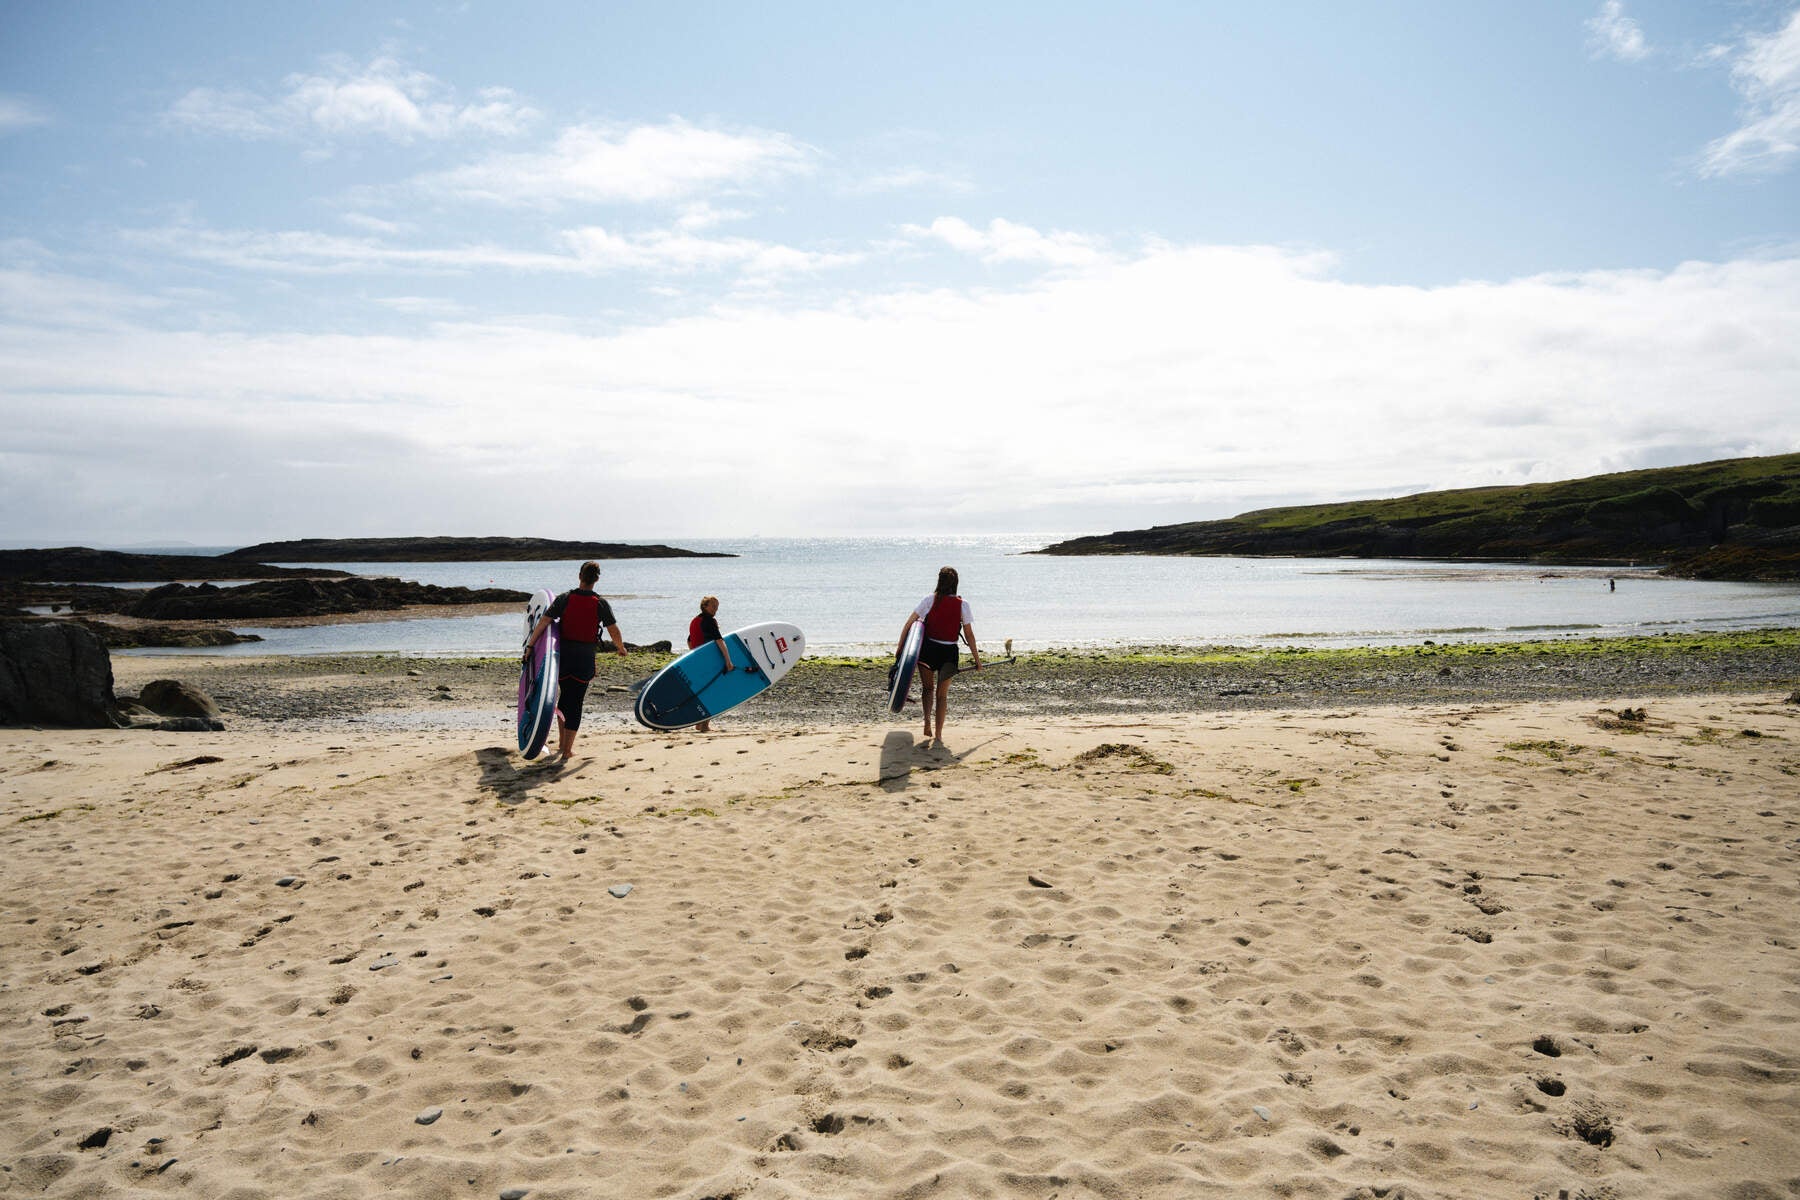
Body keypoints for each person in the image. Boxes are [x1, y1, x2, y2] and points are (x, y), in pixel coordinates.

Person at [526, 560, 625, 760]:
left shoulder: (565, 598)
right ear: (597, 579)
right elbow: (612, 629)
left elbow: (544, 621)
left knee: (564, 698)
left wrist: (530, 646)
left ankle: (562, 745)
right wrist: (620, 648)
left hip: (562, 657)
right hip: (584, 658)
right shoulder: (600, 603)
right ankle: (567, 750)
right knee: (576, 702)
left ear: (580, 576)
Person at [898, 565, 980, 743]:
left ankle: (927, 721)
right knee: (942, 696)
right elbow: (969, 635)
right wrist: (977, 659)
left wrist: (900, 649)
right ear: (955, 584)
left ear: (939, 582)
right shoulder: (962, 605)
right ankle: (939, 734)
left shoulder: (929, 600)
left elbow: (910, 623)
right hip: (949, 653)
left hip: (928, 649)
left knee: (928, 689)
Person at [687, 595, 734, 732]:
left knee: (703, 691)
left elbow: (689, 640)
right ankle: (704, 726)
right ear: (705, 606)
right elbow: (720, 641)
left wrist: (694, 654)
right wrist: (728, 661)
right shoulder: (709, 621)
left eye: (717, 607)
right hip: (708, 661)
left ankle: (699, 723)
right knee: (711, 692)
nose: (715, 609)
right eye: (713, 606)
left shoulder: (696, 620)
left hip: (697, 660)